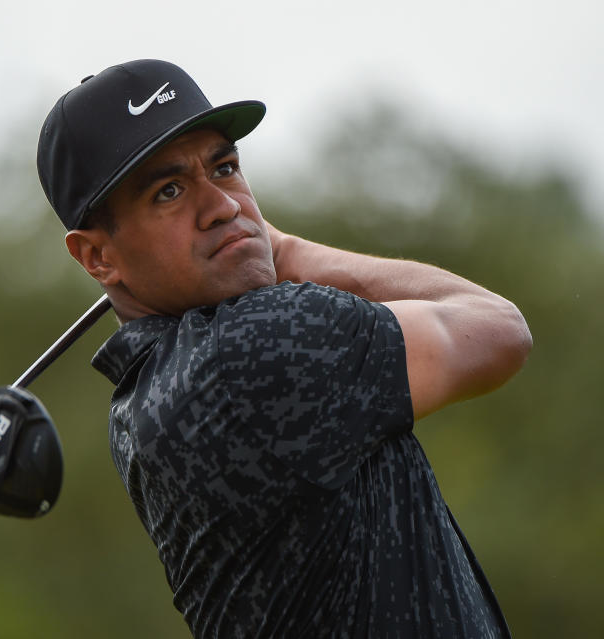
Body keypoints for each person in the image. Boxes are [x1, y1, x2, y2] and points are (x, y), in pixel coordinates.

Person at [37, 59, 531, 638]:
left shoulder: (150, 392)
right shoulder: (252, 348)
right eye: (168, 191)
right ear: (98, 257)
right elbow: (496, 329)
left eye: (224, 167)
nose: (223, 205)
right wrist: (286, 250)